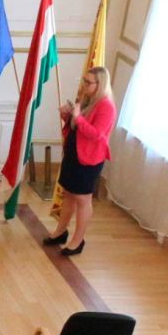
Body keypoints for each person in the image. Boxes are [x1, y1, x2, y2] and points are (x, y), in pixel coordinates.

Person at [45, 66, 116, 257]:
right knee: (69, 193)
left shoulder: (106, 106)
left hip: (89, 158)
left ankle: (78, 240)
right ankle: (60, 231)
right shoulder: (85, 100)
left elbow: (96, 134)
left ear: (99, 84)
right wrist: (67, 115)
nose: (83, 85)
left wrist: (78, 117)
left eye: (88, 82)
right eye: (83, 80)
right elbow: (76, 126)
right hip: (74, 153)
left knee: (83, 199)